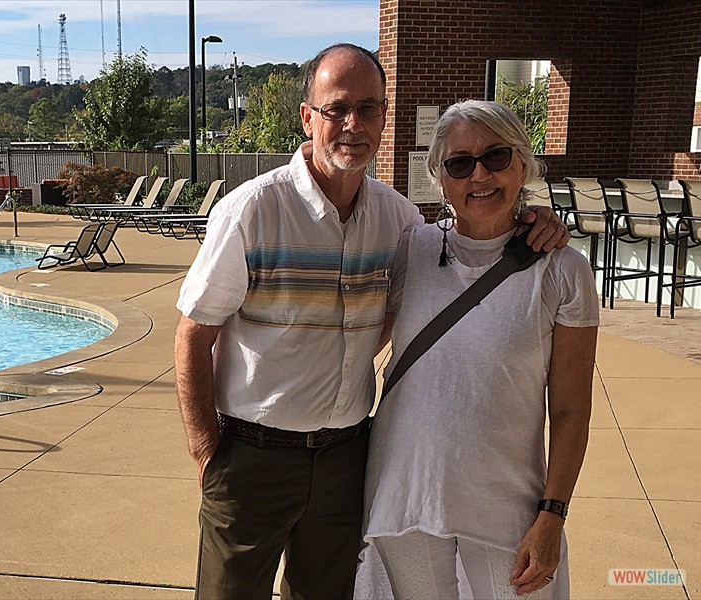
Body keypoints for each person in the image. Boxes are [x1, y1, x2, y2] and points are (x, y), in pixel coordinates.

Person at [174, 45, 569, 600]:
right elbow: (194, 333)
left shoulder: (399, 221)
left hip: (345, 459)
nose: (352, 124)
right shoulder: (253, 211)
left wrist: (533, 219)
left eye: (368, 107)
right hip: (252, 457)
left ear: (385, 115)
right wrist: (207, 455)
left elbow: (453, 250)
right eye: (336, 109)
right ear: (308, 116)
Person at [358, 99, 598, 600]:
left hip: (506, 504)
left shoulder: (562, 270)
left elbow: (572, 410)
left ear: (524, 164)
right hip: (407, 492)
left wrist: (553, 516)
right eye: (459, 163)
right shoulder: (411, 248)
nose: (479, 175)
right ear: (440, 180)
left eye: (496, 157)